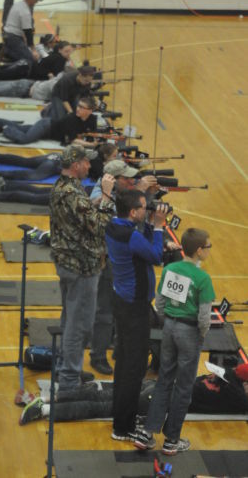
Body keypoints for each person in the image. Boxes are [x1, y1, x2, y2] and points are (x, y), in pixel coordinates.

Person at [134, 228, 215, 456]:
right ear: (199, 251)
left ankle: (147, 434)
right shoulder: (203, 278)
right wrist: (200, 334)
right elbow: (204, 317)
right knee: (184, 387)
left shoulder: (170, 269)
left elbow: (159, 302)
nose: (209, 250)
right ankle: (172, 440)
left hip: (169, 327)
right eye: (208, 247)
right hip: (189, 331)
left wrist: (170, 318)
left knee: (164, 380)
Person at [50, 145, 115, 392]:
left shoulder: (64, 186)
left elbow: (80, 214)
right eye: (86, 162)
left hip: (68, 263)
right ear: (75, 164)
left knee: (70, 318)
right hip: (81, 267)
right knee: (80, 325)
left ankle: (65, 367)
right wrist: (107, 197)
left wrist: (93, 202)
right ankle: (69, 380)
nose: (90, 166)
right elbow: (99, 226)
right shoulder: (73, 193)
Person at [105, 189, 168, 441]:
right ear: (133, 212)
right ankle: (123, 427)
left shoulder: (114, 226)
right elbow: (155, 255)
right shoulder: (129, 235)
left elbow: (143, 249)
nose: (147, 209)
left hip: (122, 299)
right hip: (134, 307)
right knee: (135, 366)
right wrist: (159, 227)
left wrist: (151, 226)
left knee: (124, 361)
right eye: (144, 207)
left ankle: (120, 414)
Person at [17, 363, 248, 424]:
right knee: (101, 408)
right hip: (156, 400)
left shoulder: (219, 375)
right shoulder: (237, 398)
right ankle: (44, 409)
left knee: (100, 394)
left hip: (154, 386)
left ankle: (46, 399)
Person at [0, 95, 98, 146]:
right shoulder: (71, 118)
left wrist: (95, 139)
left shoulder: (93, 119)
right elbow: (73, 141)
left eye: (82, 107)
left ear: (90, 111)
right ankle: (5, 129)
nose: (78, 108)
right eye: (78, 105)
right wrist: (90, 144)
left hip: (47, 129)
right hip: (45, 127)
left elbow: (91, 133)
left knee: (20, 128)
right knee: (25, 139)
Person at [3, 0, 43, 65]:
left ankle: (8, 51)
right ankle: (8, 53)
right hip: (13, 38)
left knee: (21, 53)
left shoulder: (17, 4)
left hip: (7, 35)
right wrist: (33, 51)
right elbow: (28, 33)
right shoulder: (25, 12)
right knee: (31, 60)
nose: (36, 2)